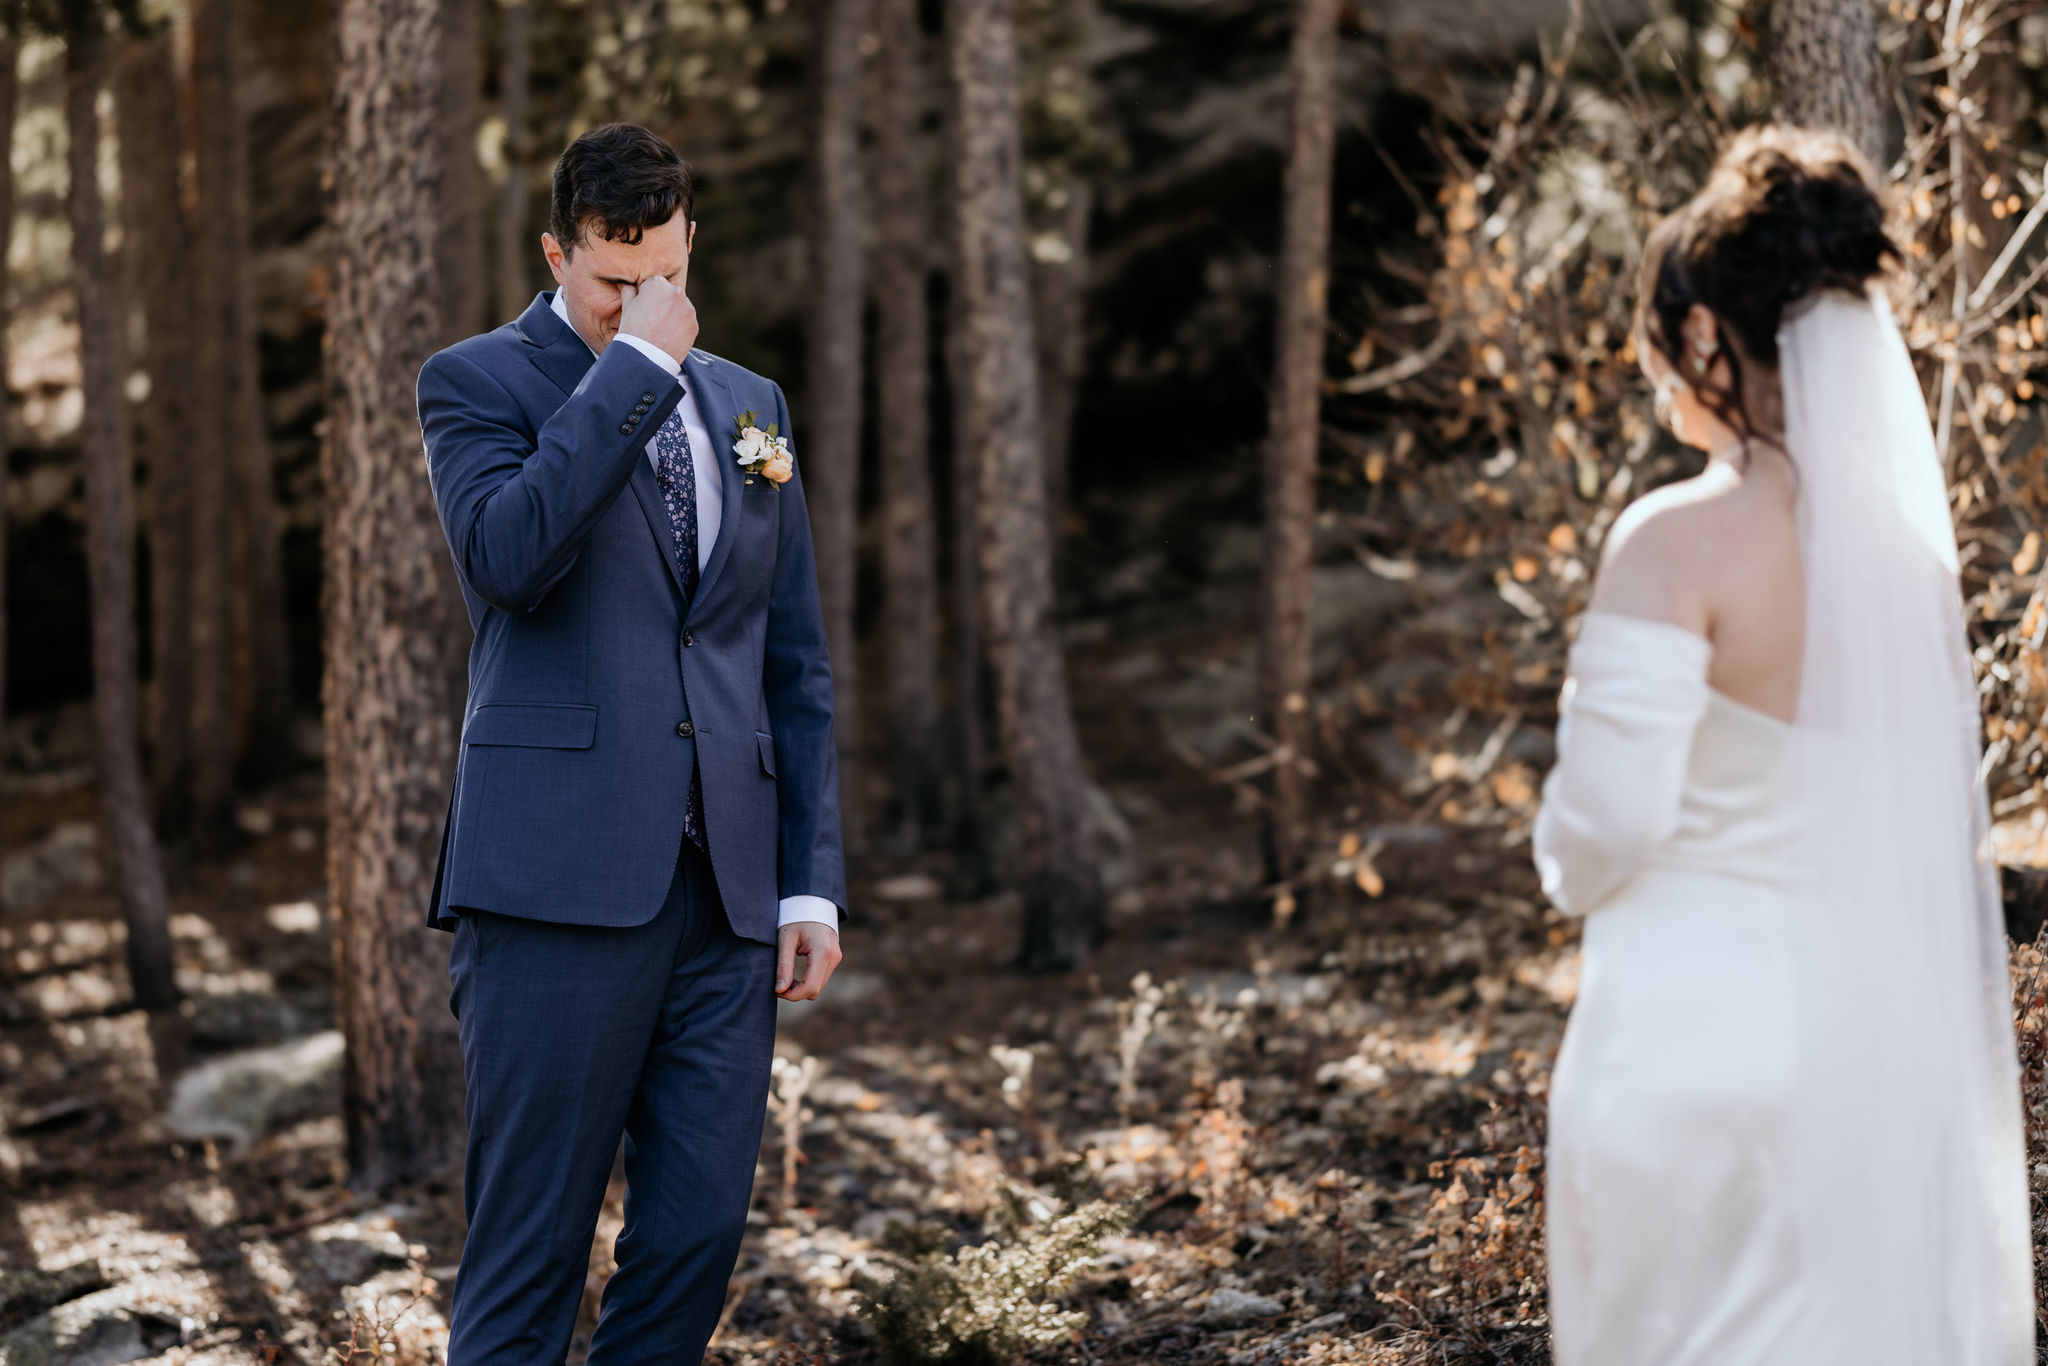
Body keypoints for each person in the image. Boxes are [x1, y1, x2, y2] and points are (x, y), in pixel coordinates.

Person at [1532, 124, 2033, 1364]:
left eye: (1655, 332)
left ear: (1703, 337)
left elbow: (1604, 829)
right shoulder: (1906, 570)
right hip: (1873, 1053)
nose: (1647, 361)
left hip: (1692, 1050)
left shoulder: (1671, 543)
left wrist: (1553, 849)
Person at [414, 122, 847, 1364]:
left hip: (727, 898)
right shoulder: (476, 380)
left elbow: (791, 662)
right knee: (528, 1250)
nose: (643, 302)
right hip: (554, 886)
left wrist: (806, 879)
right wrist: (632, 378)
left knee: (698, 1235)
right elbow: (507, 557)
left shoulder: (752, 405)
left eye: (664, 274)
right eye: (613, 278)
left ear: (689, 243)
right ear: (556, 251)